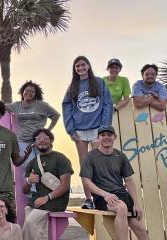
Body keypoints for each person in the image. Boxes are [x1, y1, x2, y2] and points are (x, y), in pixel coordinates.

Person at [80, 126, 149, 240]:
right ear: (98, 138)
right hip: (102, 197)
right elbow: (86, 181)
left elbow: (128, 180)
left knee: (139, 228)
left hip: (122, 194)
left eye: (109, 134)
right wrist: (105, 194)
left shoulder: (120, 156)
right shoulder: (90, 156)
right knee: (121, 208)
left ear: (114, 137)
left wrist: (136, 203)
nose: (106, 137)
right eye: (103, 135)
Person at [62, 56, 113, 209]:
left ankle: (102, 196)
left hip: (97, 128)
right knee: (85, 165)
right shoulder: (73, 86)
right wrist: (70, 129)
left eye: (83, 65)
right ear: (74, 69)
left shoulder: (98, 82)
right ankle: (88, 199)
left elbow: (107, 103)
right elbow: (66, 107)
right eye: (77, 66)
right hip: (79, 131)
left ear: (88, 66)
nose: (80, 68)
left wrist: (104, 126)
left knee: (99, 163)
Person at [21, 129, 73, 240]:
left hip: (56, 200)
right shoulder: (33, 162)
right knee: (29, 219)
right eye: (38, 139)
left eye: (45, 138)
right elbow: (24, 190)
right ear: (34, 143)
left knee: (30, 222)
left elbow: (65, 186)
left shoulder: (60, 158)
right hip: (39, 201)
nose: (41, 141)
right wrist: (29, 181)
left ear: (51, 140)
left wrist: (47, 197)